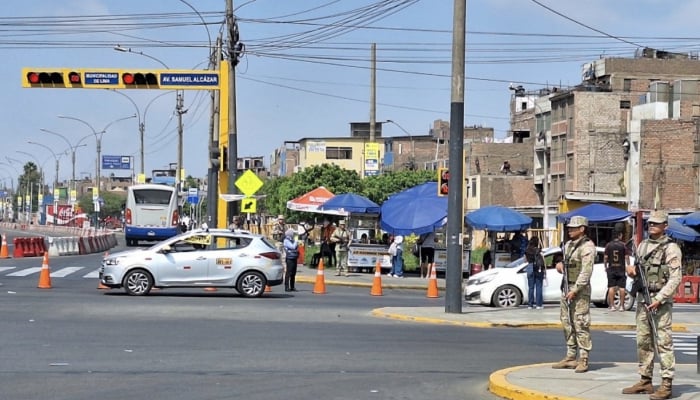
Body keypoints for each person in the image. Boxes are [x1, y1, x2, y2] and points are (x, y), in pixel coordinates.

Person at [622, 210, 682, 399]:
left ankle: (666, 383)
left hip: (660, 301)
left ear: (665, 226)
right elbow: (638, 269)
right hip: (643, 300)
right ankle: (645, 380)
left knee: (663, 342)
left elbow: (675, 278)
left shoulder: (671, 248)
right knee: (643, 341)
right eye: (650, 223)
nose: (652, 226)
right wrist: (631, 272)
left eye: (657, 223)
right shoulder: (642, 245)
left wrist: (660, 298)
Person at [552, 215, 595, 373]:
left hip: (579, 291)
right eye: (569, 228)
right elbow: (567, 262)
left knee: (581, 324)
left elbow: (586, 271)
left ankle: (583, 358)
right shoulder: (569, 245)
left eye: (573, 228)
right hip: (566, 287)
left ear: (582, 229)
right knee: (567, 323)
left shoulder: (587, 246)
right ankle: (570, 356)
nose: (570, 230)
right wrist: (560, 265)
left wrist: (575, 289)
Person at [604, 228, 630, 312]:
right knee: (622, 288)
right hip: (621, 268)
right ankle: (622, 306)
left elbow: (605, 257)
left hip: (611, 268)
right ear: (619, 235)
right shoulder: (623, 245)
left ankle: (612, 306)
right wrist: (628, 265)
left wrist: (605, 266)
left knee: (611, 287)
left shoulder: (608, 245)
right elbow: (626, 257)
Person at [525, 236, 545, 309]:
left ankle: (530, 305)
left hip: (530, 267)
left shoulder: (527, 250)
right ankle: (538, 305)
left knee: (531, 287)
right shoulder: (539, 250)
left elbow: (525, 260)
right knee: (539, 286)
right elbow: (543, 261)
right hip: (538, 268)